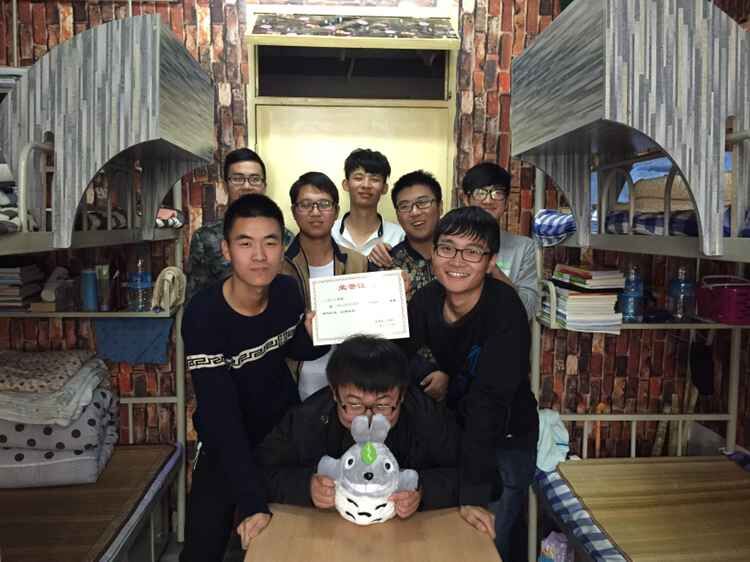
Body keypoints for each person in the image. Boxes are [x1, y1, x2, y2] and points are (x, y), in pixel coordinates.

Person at [180, 194, 327, 561]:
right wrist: (251, 503)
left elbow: (295, 349)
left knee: (297, 540)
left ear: (281, 249)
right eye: (246, 243)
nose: (259, 255)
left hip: (282, 436)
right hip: (225, 440)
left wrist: (316, 335)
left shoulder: (286, 291)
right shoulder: (203, 314)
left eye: (270, 242)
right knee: (202, 548)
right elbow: (221, 416)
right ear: (226, 250)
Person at [401, 206, 538, 562]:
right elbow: (397, 354)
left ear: (490, 262)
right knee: (446, 544)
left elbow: (489, 402)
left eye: (472, 252)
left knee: (486, 544)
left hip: (506, 438)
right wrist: (429, 372)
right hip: (458, 433)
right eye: (447, 248)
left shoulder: (505, 310)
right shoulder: (427, 300)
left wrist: (474, 493)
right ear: (433, 254)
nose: (457, 261)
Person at [257, 335, 461, 516]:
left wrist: (422, 491)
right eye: (355, 404)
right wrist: (306, 487)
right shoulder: (308, 418)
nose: (368, 416)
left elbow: (472, 473)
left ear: (402, 396)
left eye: (382, 405)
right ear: (334, 393)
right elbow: (258, 472)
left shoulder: (424, 414)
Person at [281, 171, 370, 399]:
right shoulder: (279, 266)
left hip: (351, 382)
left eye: (324, 204)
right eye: (305, 205)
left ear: (336, 211)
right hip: (293, 381)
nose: (315, 212)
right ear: (294, 211)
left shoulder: (357, 261)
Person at [186, 148, 294, 300]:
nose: (247, 186)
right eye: (238, 179)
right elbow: (195, 298)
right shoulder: (205, 238)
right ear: (225, 186)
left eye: (254, 179)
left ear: (264, 186)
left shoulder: (286, 238)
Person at [461, 162, 538, 320]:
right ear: (466, 199)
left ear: (507, 202)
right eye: (480, 193)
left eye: (497, 193)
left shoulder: (524, 247)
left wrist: (493, 269)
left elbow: (528, 310)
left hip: (504, 331)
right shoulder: (449, 244)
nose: (488, 200)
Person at [368, 170, 443, 300]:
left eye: (423, 202)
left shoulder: (460, 256)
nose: (415, 212)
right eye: (404, 206)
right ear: (397, 215)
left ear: (440, 207)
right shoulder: (385, 264)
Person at [332, 148, 404, 256]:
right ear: (346, 184)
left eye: (374, 179)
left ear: (384, 188)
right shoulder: (329, 232)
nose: (366, 185)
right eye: (358, 178)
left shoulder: (398, 236)